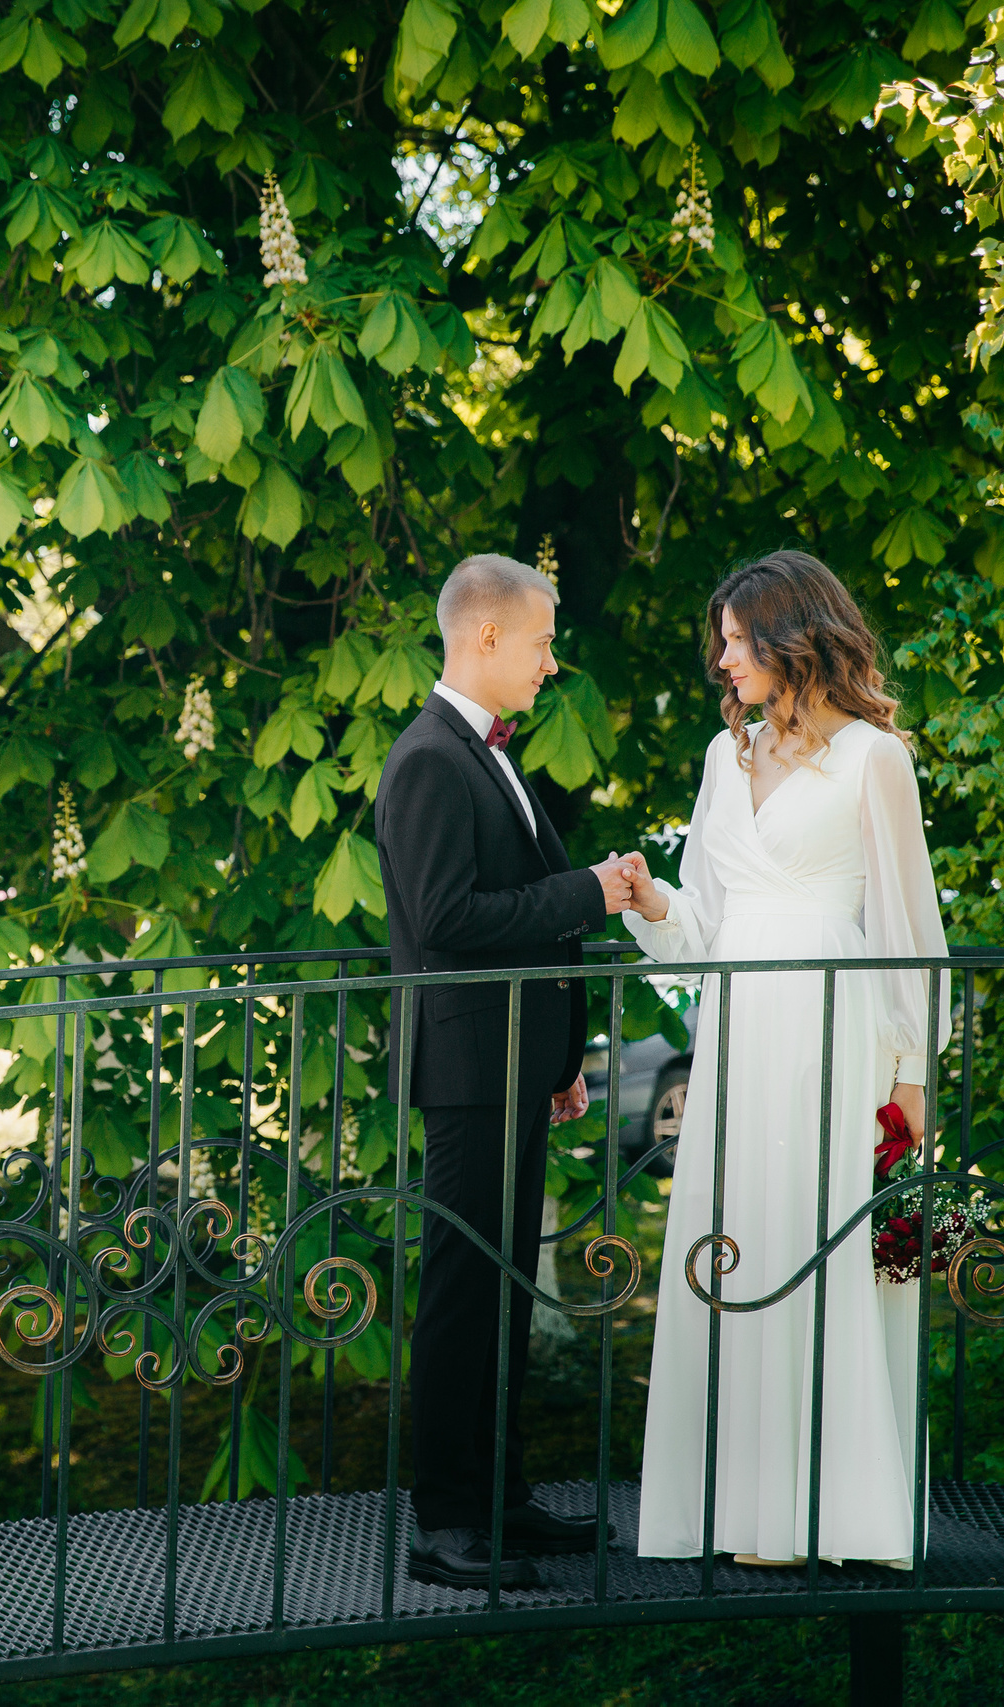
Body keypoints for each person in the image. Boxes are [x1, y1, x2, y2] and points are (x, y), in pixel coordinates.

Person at [617, 548, 949, 1569]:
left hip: (834, 1031)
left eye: (735, 640)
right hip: (737, 1034)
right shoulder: (726, 760)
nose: (722, 660)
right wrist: (651, 900)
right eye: (721, 642)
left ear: (789, 638)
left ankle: (823, 1511)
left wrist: (911, 1075)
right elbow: (704, 924)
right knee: (740, 1240)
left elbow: (910, 930)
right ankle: (740, 1507)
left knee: (816, 1239)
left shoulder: (874, 760)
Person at [373, 553, 642, 1591]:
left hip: (512, 1062)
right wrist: (590, 892)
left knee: (504, 1288)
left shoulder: (483, 753)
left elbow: (506, 909)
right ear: (486, 636)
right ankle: (446, 1521)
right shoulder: (429, 759)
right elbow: (448, 920)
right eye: (541, 642)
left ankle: (498, 1497)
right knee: (461, 1292)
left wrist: (556, 1059)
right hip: (468, 1068)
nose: (550, 663)